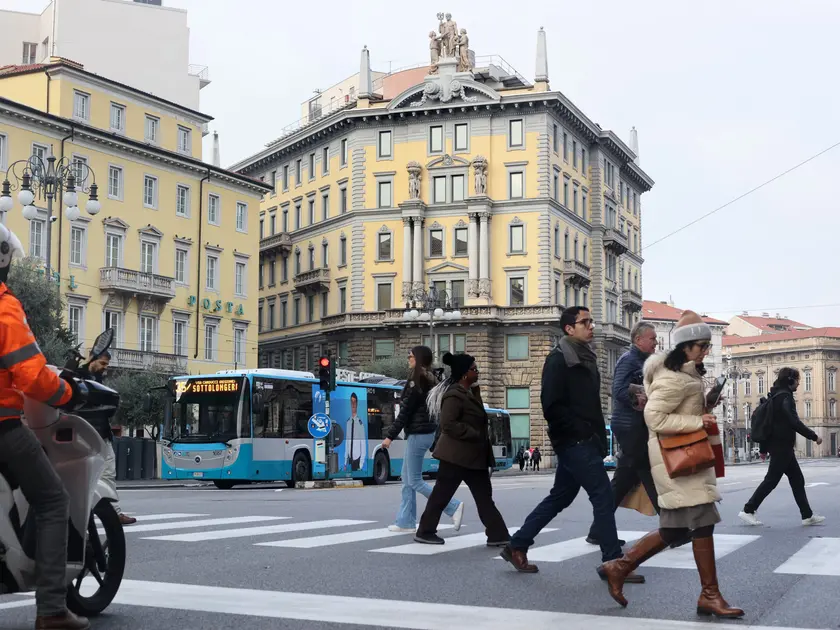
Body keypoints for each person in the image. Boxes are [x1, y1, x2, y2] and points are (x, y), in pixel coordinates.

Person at [600, 311, 743, 619]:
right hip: (678, 462)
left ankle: (619, 567)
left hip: (686, 461)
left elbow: (679, 406)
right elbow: (655, 417)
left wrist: (706, 404)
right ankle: (710, 595)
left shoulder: (687, 374)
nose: (706, 350)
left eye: (707, 345)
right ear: (685, 347)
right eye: (701, 345)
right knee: (701, 522)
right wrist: (697, 420)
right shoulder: (673, 378)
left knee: (675, 530)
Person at [0, 223, 90, 629]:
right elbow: (32, 376)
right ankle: (52, 609)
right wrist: (67, 395)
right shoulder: (4, 308)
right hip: (2, 428)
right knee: (53, 500)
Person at [501, 306, 633, 582]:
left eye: (591, 321)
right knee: (602, 495)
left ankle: (517, 544)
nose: (591, 326)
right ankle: (612, 561)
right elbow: (551, 405)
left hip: (585, 440)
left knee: (560, 497)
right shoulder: (559, 360)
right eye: (585, 322)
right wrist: (579, 432)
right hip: (575, 441)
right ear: (568, 329)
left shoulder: (586, 357)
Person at [415, 352, 509, 546]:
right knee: (441, 496)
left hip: (473, 457)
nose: (478, 372)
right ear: (465, 374)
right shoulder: (454, 395)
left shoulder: (470, 393)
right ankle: (425, 531)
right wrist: (473, 433)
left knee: (484, 497)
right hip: (455, 456)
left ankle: (498, 534)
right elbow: (448, 424)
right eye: (474, 369)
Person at [586, 322, 661, 547]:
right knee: (649, 474)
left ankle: (598, 530)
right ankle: (673, 527)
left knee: (623, 481)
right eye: (652, 338)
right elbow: (618, 390)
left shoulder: (645, 361)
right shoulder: (628, 360)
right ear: (638, 340)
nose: (655, 342)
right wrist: (645, 395)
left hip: (637, 425)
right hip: (630, 426)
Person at [382, 346, 464, 533]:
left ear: (418, 359)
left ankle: (453, 506)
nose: (408, 359)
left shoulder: (417, 380)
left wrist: (389, 437)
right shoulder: (429, 379)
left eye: (410, 356)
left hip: (419, 434)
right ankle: (405, 521)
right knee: (407, 480)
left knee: (415, 481)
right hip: (424, 433)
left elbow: (405, 412)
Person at [739, 367, 825, 527]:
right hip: (781, 447)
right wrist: (814, 436)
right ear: (790, 380)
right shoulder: (785, 397)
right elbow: (794, 422)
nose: (799, 383)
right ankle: (748, 510)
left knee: (797, 480)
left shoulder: (776, 396)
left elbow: (770, 424)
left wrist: (764, 448)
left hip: (781, 446)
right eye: (797, 380)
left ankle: (807, 515)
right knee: (771, 480)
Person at [77, 349, 135, 526]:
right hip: (88, 434)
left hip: (99, 433)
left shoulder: (95, 379)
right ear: (91, 360)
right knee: (90, 475)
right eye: (102, 364)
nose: (105, 368)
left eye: (107, 365)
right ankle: (94, 514)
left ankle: (112, 512)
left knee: (107, 472)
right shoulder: (80, 377)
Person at [344, 393, 367, 472]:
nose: (353, 404)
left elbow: (363, 444)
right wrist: (345, 461)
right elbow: (347, 441)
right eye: (351, 402)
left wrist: (361, 464)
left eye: (355, 402)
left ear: (357, 404)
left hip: (357, 459)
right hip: (350, 459)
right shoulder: (348, 422)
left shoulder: (360, 423)